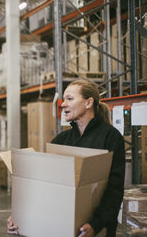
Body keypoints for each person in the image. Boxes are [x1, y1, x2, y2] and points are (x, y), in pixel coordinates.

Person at [7, 79, 125, 237]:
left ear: (88, 102)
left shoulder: (110, 137)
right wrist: (20, 217)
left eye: (70, 99)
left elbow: (114, 188)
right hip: (62, 226)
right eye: (64, 99)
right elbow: (45, 186)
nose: (62, 104)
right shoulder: (61, 140)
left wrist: (95, 225)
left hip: (95, 229)